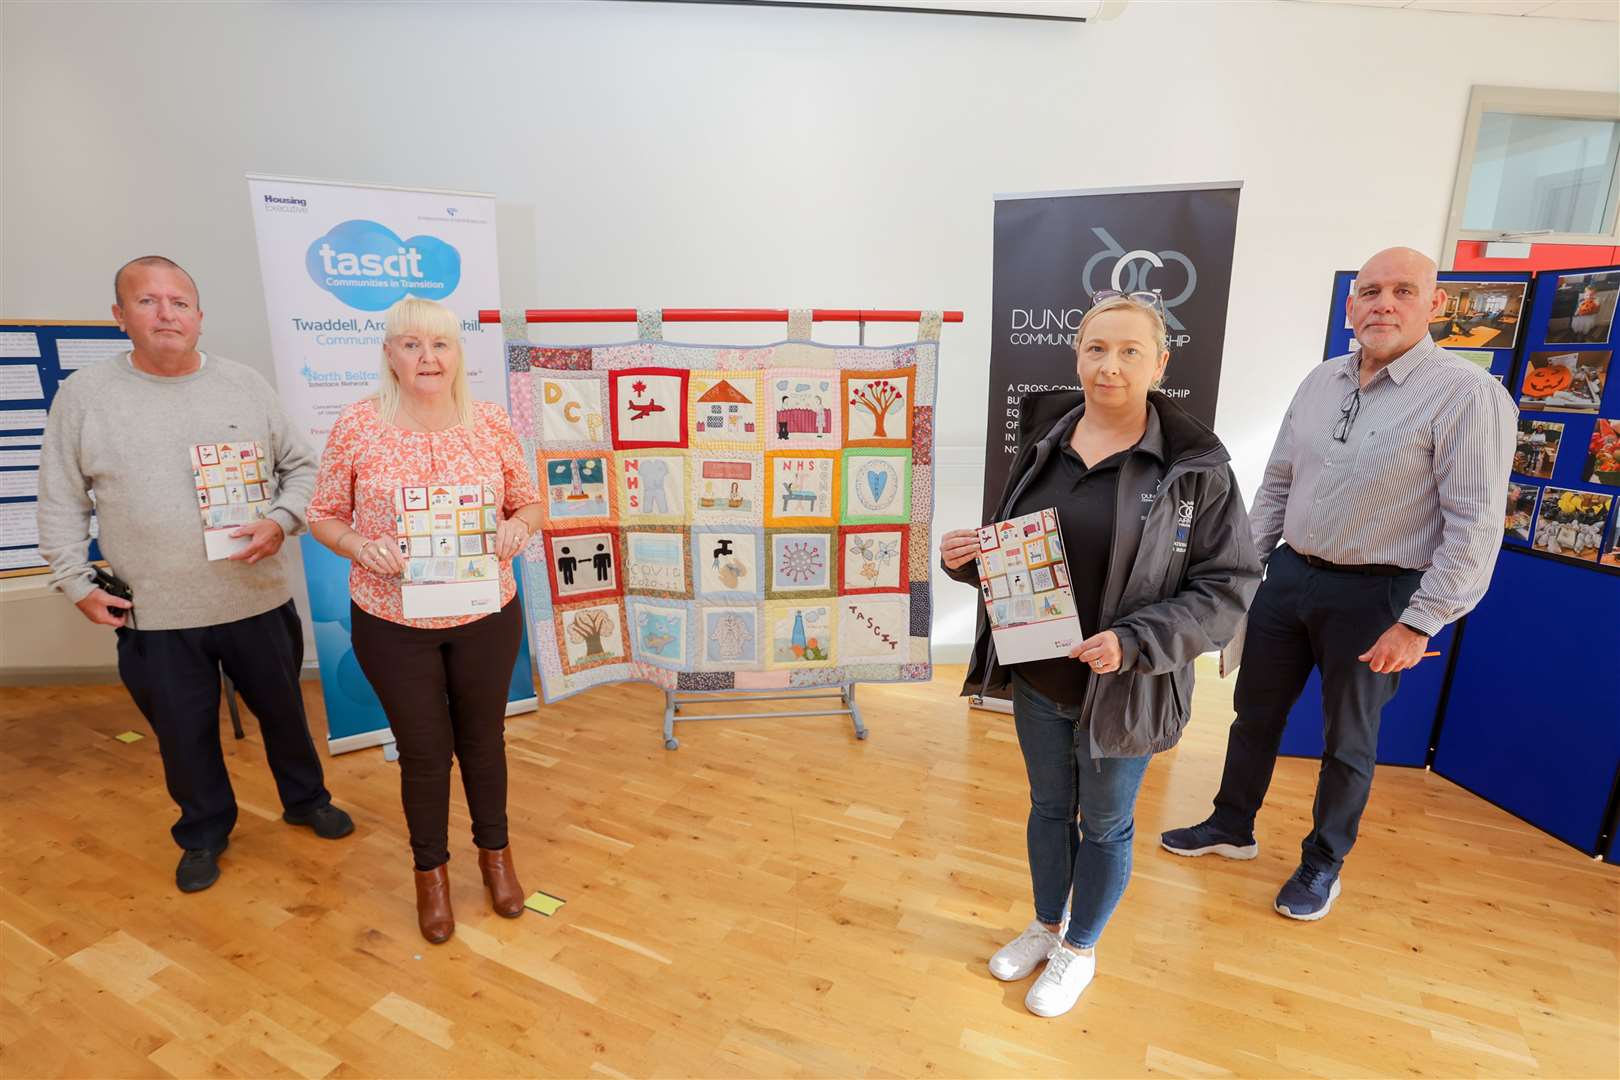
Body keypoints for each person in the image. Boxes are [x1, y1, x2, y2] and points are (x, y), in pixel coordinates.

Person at [1162, 247, 1517, 920]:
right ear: (1351, 306)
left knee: (1348, 742)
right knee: (1254, 715)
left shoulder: (1469, 396)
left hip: (1383, 594)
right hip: (1290, 576)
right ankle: (1230, 825)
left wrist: (1420, 622)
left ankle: (1322, 863)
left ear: (1435, 305)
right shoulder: (1321, 381)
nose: (1385, 303)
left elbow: (1475, 525)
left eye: (1403, 291)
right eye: (1371, 291)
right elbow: (1278, 484)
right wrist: (1241, 567)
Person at [938, 292, 1260, 1018]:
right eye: (1095, 349)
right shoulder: (1046, 440)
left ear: (1160, 363)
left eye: (1129, 352)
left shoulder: (1196, 468)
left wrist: (1137, 641)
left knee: (1106, 825)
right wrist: (972, 562)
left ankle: (1079, 950)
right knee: (1048, 807)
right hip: (1038, 678)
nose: (1108, 366)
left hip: (1129, 688)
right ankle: (1046, 924)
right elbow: (1024, 549)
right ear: (1076, 354)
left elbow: (1229, 585)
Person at [37, 256, 354, 894]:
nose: (166, 314)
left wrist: (281, 520)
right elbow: (59, 499)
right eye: (148, 302)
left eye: (179, 302)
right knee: (183, 736)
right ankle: (205, 830)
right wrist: (75, 583)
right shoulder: (85, 396)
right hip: (155, 612)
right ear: (119, 317)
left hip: (255, 600)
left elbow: (305, 469)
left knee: (285, 713)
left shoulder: (244, 385)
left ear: (200, 317)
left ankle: (305, 799)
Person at [307, 297, 542, 944]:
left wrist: (518, 528)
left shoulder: (491, 423)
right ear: (389, 355)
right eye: (410, 345)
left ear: (457, 354)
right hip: (391, 618)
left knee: (483, 742)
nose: (427, 358)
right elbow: (323, 513)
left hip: (484, 613)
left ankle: (496, 858)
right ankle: (430, 873)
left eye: (439, 345)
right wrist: (360, 547)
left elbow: (529, 502)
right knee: (424, 753)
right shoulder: (358, 425)